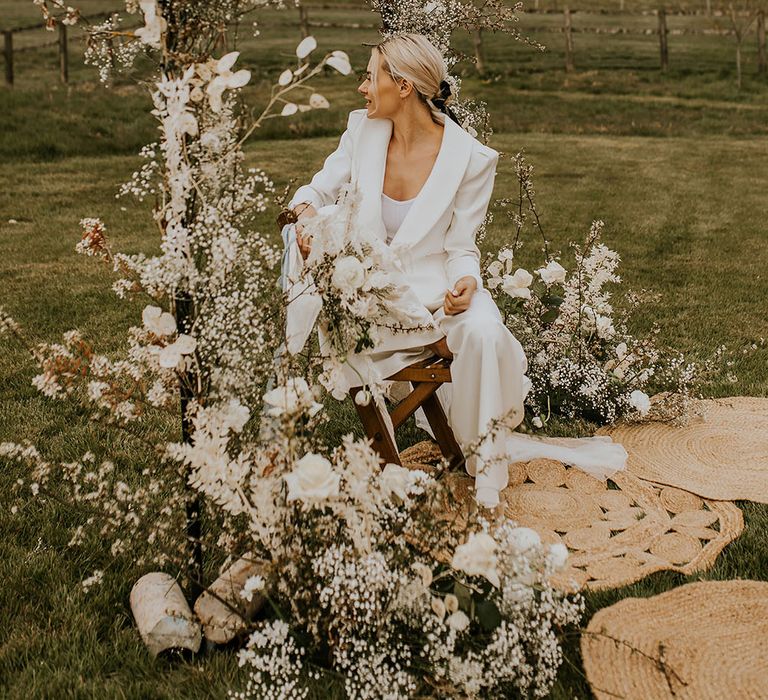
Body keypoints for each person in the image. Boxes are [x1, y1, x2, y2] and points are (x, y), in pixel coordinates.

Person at [285, 33, 627, 508]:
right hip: (370, 303)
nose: (362, 88)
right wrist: (303, 213)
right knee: (432, 338)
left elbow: (461, 248)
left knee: (485, 329)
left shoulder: (471, 159)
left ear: (403, 86)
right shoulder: (361, 132)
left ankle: (487, 474)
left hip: (437, 294)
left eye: (370, 76)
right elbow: (315, 191)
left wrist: (468, 281)